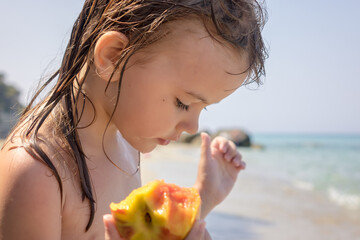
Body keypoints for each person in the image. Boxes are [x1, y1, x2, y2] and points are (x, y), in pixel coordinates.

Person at [0, 0, 267, 239]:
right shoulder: (36, 174)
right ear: (113, 57)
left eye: (203, 108)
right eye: (183, 103)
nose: (193, 127)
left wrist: (202, 198)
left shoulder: (125, 146)